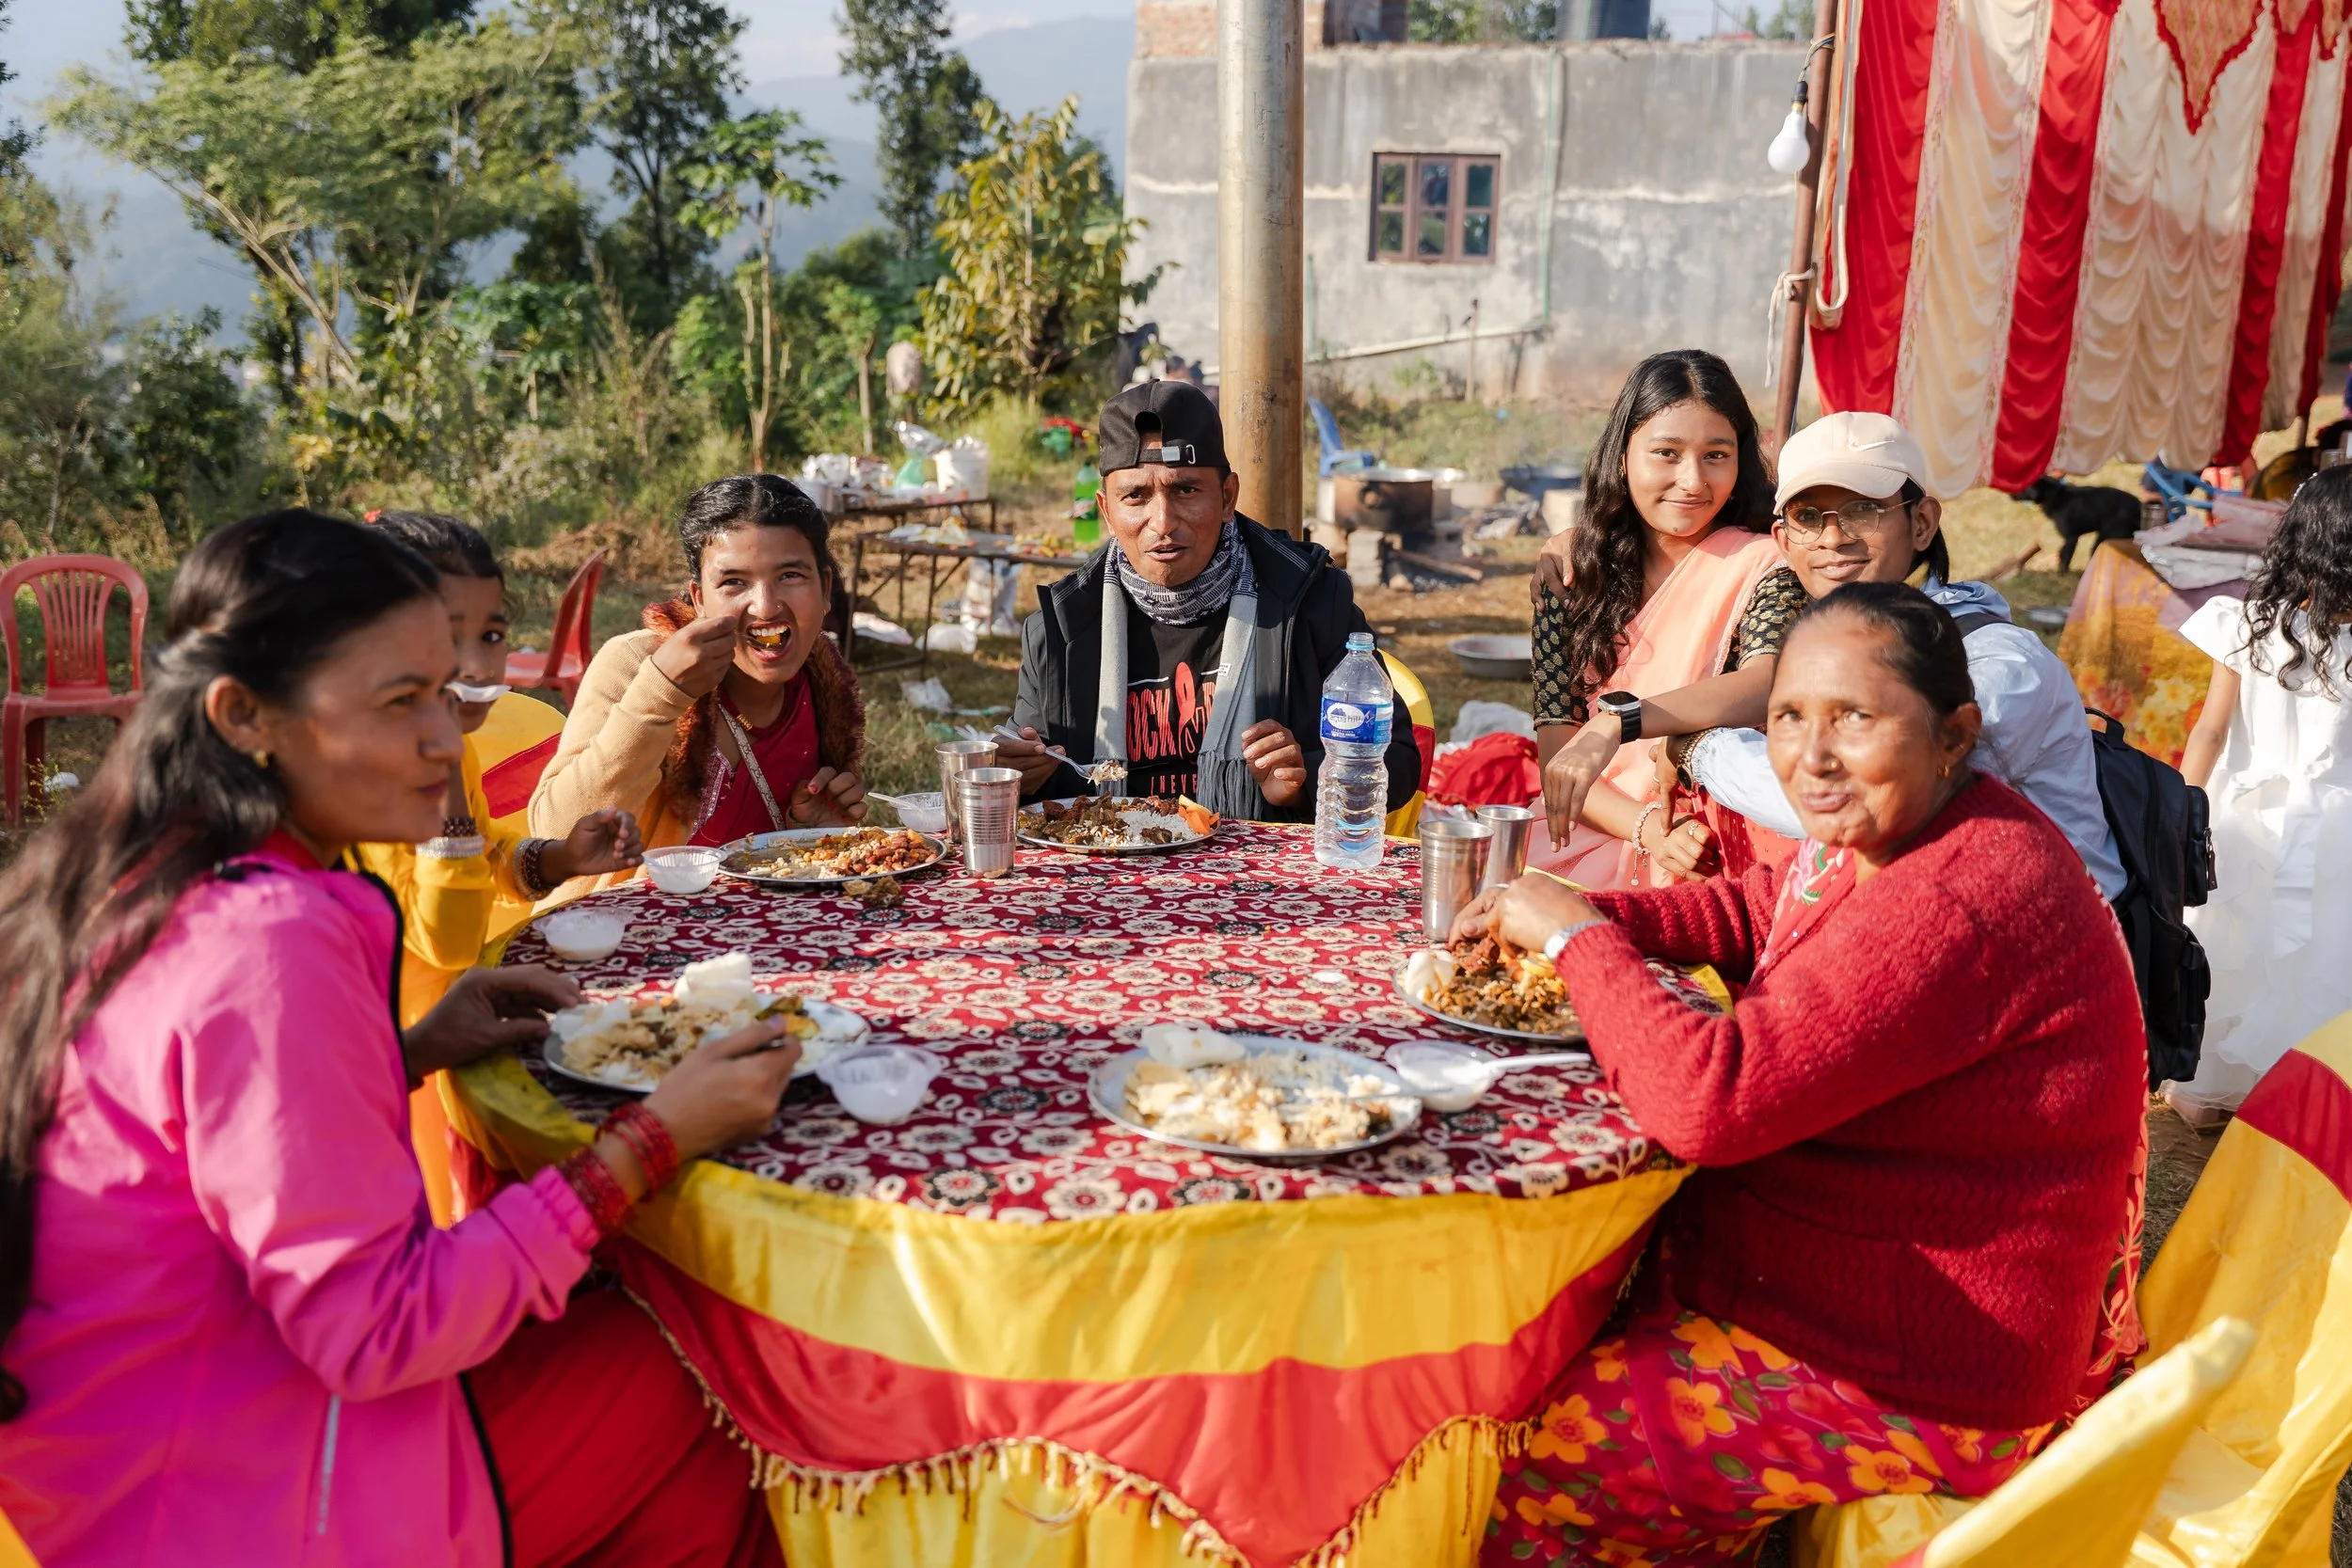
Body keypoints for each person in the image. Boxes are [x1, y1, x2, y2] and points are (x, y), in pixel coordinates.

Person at [0, 512, 801, 1566]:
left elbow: (212, 1137)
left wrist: (412, 1046)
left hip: (119, 1462)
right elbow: (379, 1327)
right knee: (721, 1373)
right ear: (245, 714)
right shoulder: (267, 938)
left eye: (447, 685)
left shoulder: (151, 867)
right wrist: (651, 1140)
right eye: (400, 700)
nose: (449, 731)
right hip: (245, 1499)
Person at [1459, 583, 2146, 1567]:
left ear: (1955, 733)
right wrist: (1603, 913)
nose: (1810, 757)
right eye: (1787, 716)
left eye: (1854, 719)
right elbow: (1756, 910)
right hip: (1838, 1300)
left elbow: (1709, 1100)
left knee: (1530, 1462)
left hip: (1915, 1373)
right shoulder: (1890, 837)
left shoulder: (1964, 891)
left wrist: (1574, 939)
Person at [1547, 411, 2127, 900]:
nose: (1833, 538)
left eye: (1862, 511)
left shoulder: (1996, 664)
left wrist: (1699, 745)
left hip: (2045, 962)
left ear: (1922, 521)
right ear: (1783, 541)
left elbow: (1857, 807)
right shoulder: (1838, 650)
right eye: (1808, 517)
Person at [354, 512, 644, 1225]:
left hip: (458, 1014)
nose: (483, 667)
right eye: (449, 638)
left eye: (490, 634)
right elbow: (446, 939)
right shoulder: (380, 773)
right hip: (403, 1047)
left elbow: (487, 860)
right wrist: (449, 772)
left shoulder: (456, 747)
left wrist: (559, 858)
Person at [1001, 380, 1420, 819]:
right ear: (1106, 512)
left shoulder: (1310, 602)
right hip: (1110, 870)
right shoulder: (1061, 628)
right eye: (1136, 496)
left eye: (1185, 490)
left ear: (1226, 497)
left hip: (1260, 881)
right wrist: (1023, 774)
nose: (1162, 522)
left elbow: (1400, 761)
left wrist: (1305, 780)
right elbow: (1036, 777)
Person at [1526, 349, 1794, 888]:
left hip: (1709, 839)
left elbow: (1764, 686)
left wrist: (1617, 720)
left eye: (1716, 455)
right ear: (1623, 457)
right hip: (1580, 835)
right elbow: (1560, 761)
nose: (1692, 481)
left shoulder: (1768, 567)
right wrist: (1646, 827)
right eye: (1667, 453)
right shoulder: (1569, 575)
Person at [532, 475, 866, 892]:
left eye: (791, 575)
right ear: (699, 598)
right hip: (630, 934)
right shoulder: (638, 664)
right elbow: (553, 830)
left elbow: (771, 869)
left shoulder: (822, 684)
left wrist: (811, 832)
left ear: (826, 588)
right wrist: (660, 692)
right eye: (734, 583)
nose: (765, 606)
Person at [2165, 464, 2352, 1123]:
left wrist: (2187, 807)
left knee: (2240, 951)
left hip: (2247, 819)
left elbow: (2211, 730)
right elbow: (2215, 726)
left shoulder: (2250, 622)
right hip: (2336, 832)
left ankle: (2224, 1088)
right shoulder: (2250, 623)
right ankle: (2303, 1098)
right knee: (2316, 965)